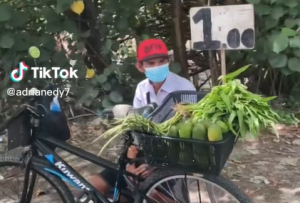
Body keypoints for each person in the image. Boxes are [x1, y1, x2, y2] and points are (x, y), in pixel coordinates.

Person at [86, 38, 196, 202]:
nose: (157, 66)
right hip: (146, 153)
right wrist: (130, 163)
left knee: (152, 194)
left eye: (161, 61)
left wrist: (155, 167)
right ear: (140, 66)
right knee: (94, 185)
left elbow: (191, 134)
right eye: (151, 63)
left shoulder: (184, 88)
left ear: (168, 62)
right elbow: (138, 129)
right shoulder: (142, 89)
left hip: (174, 157)